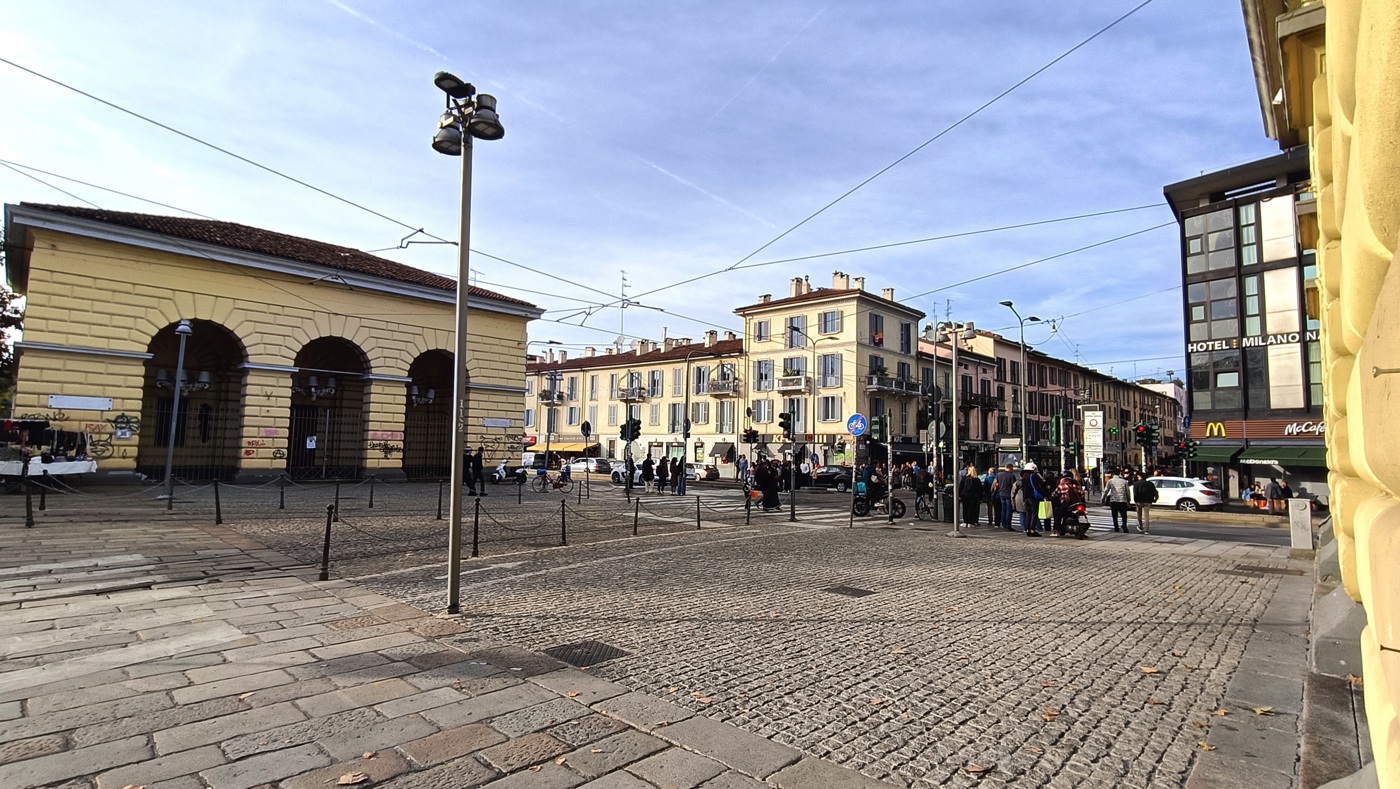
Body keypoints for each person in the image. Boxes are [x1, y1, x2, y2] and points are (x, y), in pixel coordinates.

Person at [1052, 473, 1087, 538]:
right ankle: (1084, 531)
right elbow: (1082, 493)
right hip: (1078, 502)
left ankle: (1056, 530)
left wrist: (1052, 496)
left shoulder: (1062, 484)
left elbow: (1055, 494)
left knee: (1059, 515)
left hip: (1067, 502)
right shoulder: (1077, 483)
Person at [1012, 464, 1043, 537]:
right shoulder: (1033, 476)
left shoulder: (1024, 477)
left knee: (1028, 514)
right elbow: (1038, 485)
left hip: (1026, 498)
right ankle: (1032, 529)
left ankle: (1028, 529)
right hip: (1033, 497)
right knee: (1034, 514)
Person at [958, 462, 982, 527]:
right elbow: (980, 490)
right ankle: (970, 522)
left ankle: (965, 521)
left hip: (964, 496)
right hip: (973, 496)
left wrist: (959, 495)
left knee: (965, 509)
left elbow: (960, 487)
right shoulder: (977, 480)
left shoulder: (964, 478)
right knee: (971, 509)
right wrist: (980, 498)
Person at [994, 463, 1018, 531]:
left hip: (1001, 493)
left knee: (1003, 509)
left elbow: (996, 483)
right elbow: (1014, 486)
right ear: (1011, 468)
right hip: (1008, 494)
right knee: (1009, 510)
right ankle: (1008, 525)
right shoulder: (1011, 476)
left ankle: (1003, 524)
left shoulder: (999, 474)